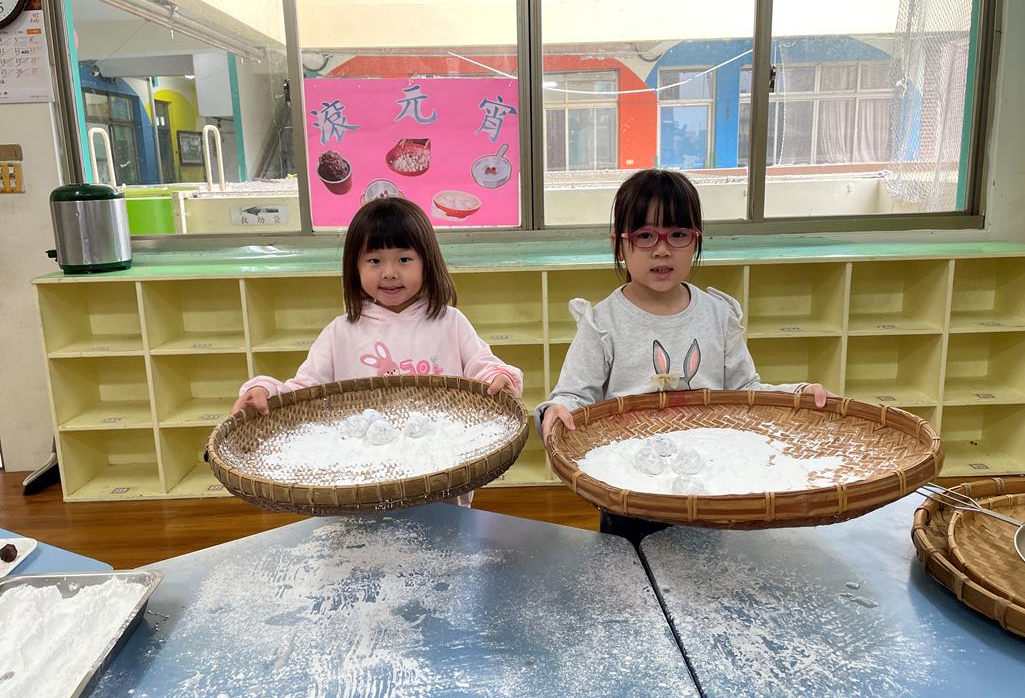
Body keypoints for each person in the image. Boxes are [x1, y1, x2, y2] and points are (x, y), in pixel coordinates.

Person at [536, 169, 832, 544]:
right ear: (620, 246)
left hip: (709, 482)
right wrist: (557, 409)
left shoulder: (718, 315)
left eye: (677, 235)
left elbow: (746, 391)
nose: (662, 249)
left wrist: (795, 395)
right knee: (632, 567)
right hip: (631, 486)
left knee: (708, 568)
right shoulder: (602, 323)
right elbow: (573, 395)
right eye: (645, 236)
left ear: (696, 241)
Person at [231, 197, 523, 504]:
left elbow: (482, 367)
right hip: (362, 484)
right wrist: (265, 389)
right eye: (374, 261)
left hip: (438, 478)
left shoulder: (449, 322)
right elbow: (303, 392)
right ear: (354, 267)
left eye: (404, 259)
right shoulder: (341, 332)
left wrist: (498, 377)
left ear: (427, 262)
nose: (389, 272)